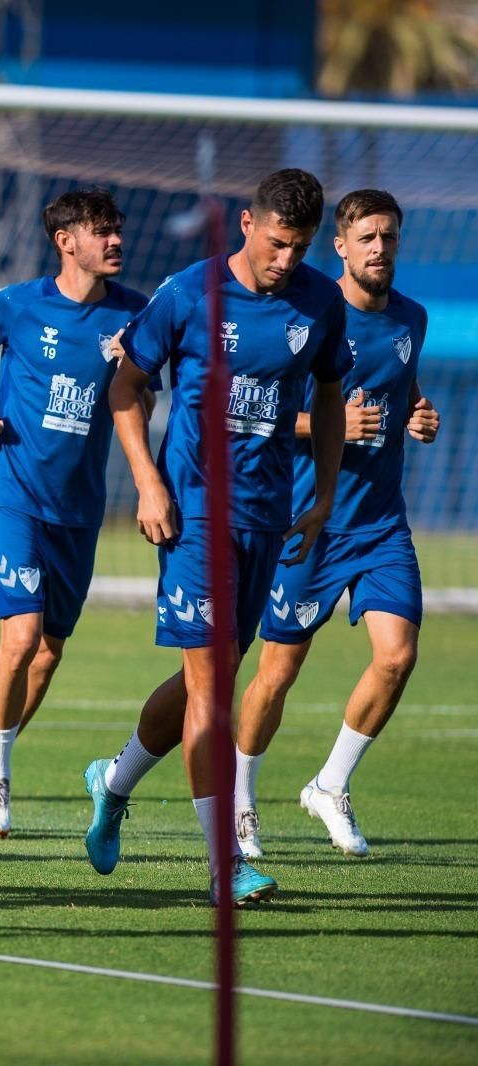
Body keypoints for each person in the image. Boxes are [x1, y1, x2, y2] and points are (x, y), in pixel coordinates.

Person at [82, 168, 350, 906]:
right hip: (194, 514)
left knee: (212, 677)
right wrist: (146, 482)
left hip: (268, 516)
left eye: (299, 247)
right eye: (276, 242)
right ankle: (223, 863)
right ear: (246, 224)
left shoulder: (321, 302)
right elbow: (127, 386)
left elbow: (330, 396)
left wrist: (323, 492)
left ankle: (114, 781)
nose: (287, 259)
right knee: (214, 690)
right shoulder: (184, 295)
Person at [0, 188, 151, 837]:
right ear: (67, 242)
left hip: (81, 510)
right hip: (15, 496)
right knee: (22, 635)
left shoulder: (135, 316)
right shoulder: (18, 304)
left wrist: (150, 482)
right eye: (101, 232)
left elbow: (137, 400)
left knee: (49, 653)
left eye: (117, 230)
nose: (115, 241)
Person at [234, 189, 439, 859]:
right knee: (277, 673)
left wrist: (417, 414)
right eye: (368, 238)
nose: (381, 248)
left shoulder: (414, 318)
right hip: (309, 524)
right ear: (342, 248)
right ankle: (241, 798)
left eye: (390, 237)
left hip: (381, 526)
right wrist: (330, 424)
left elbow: (400, 386)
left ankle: (330, 784)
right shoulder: (312, 317)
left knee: (398, 656)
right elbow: (267, 410)